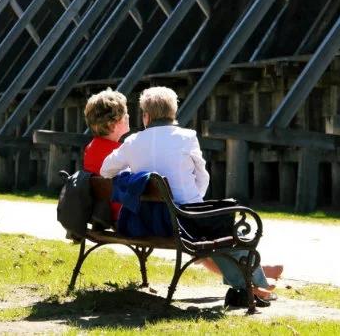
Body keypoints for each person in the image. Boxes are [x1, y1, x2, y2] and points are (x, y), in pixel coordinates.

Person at [98, 86, 282, 306]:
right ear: (173, 113)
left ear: (146, 116)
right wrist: (195, 202)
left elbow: (104, 170)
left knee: (217, 226)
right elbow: (203, 176)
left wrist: (132, 175)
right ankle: (251, 286)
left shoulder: (133, 142)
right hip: (183, 222)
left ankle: (251, 285)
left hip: (148, 222)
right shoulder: (187, 137)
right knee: (225, 224)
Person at [81, 88, 129, 222]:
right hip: (124, 215)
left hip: (102, 213)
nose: (128, 117)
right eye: (124, 114)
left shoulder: (90, 148)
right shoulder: (123, 152)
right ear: (112, 125)